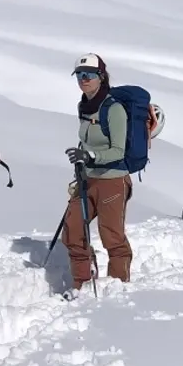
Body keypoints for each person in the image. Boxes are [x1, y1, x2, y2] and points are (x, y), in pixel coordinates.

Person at [62, 53, 133, 287]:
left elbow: (118, 151)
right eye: (80, 75)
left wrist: (91, 156)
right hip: (88, 178)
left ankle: (118, 285)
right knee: (73, 229)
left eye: (90, 75)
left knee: (111, 236)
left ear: (101, 77)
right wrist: (82, 159)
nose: (84, 79)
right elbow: (87, 139)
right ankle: (82, 282)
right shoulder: (84, 105)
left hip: (112, 180)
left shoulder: (114, 109)